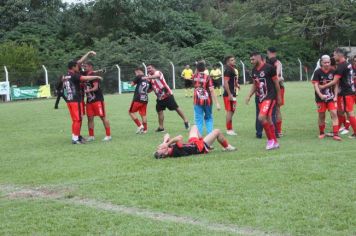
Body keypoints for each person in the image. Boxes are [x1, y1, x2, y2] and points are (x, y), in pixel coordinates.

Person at [245, 52, 281, 150]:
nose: (251, 61)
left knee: (261, 117)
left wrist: (279, 96)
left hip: (270, 96)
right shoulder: (254, 71)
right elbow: (254, 85)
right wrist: (249, 95)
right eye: (250, 60)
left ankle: (270, 141)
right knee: (268, 119)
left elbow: (276, 83)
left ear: (258, 58)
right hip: (260, 98)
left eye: (252, 59)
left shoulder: (269, 68)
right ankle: (275, 142)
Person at [62, 60, 103, 144]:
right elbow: (84, 78)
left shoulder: (66, 75)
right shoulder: (74, 75)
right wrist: (96, 77)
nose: (79, 67)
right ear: (73, 67)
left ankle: (76, 136)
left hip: (69, 100)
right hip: (75, 100)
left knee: (76, 120)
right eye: (77, 66)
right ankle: (75, 139)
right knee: (77, 119)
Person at [319, 48, 356, 139]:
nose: (333, 56)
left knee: (350, 113)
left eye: (334, 55)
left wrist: (323, 86)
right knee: (340, 112)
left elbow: (335, 81)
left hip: (345, 93)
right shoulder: (348, 64)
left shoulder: (341, 66)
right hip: (349, 91)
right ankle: (336, 131)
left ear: (339, 55)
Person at [143, 64, 189, 132]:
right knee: (159, 111)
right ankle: (161, 127)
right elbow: (151, 89)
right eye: (147, 69)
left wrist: (147, 77)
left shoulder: (157, 73)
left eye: (150, 68)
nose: (148, 70)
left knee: (176, 108)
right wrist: (144, 90)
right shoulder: (150, 78)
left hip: (167, 95)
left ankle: (186, 120)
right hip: (159, 98)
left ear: (154, 68)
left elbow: (157, 76)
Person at [154, 125, 236, 159]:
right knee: (217, 131)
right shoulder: (175, 151)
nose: (160, 147)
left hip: (193, 143)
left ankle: (207, 143)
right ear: (164, 154)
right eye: (160, 149)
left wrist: (165, 142)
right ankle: (227, 147)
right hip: (200, 147)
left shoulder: (168, 149)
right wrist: (167, 143)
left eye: (159, 148)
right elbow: (180, 137)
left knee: (194, 127)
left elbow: (167, 134)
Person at [311, 55, 341, 141]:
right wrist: (320, 95)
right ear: (321, 63)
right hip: (320, 98)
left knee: (334, 113)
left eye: (328, 62)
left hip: (331, 98)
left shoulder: (333, 71)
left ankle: (336, 134)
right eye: (325, 62)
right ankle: (321, 133)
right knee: (321, 115)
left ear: (330, 62)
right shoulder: (317, 72)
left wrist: (335, 96)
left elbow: (336, 85)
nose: (327, 64)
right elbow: (316, 85)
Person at [83, 61, 111, 142]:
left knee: (102, 117)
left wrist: (88, 91)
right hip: (89, 100)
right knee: (90, 118)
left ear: (90, 66)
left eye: (85, 66)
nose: (84, 68)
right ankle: (91, 136)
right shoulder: (86, 75)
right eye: (84, 66)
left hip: (97, 100)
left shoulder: (93, 76)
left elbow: (95, 87)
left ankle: (108, 135)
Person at [192, 61, 221, 135]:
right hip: (207, 102)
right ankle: (210, 137)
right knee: (208, 119)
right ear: (205, 68)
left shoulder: (194, 76)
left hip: (197, 101)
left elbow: (195, 73)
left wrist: (197, 67)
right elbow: (211, 90)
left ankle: (199, 138)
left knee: (198, 120)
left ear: (197, 68)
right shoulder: (208, 77)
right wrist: (217, 103)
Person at [266, 47, 284, 137]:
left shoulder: (274, 61)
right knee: (276, 109)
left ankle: (277, 130)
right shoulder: (277, 61)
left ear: (268, 52)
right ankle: (277, 130)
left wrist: (277, 78)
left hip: (277, 88)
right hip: (276, 87)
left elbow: (277, 75)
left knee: (276, 109)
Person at [129, 67, 151, 134]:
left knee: (131, 112)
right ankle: (145, 130)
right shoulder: (148, 78)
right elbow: (150, 90)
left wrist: (132, 83)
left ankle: (140, 125)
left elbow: (131, 85)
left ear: (138, 71)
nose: (135, 74)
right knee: (143, 114)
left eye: (135, 73)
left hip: (138, 98)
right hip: (145, 99)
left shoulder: (139, 76)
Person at [223, 55, 239, 135]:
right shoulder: (228, 70)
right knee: (229, 111)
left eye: (234, 59)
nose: (234, 61)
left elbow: (232, 80)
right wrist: (229, 94)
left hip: (233, 93)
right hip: (228, 94)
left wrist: (236, 84)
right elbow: (225, 83)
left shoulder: (232, 69)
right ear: (228, 62)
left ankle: (230, 128)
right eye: (232, 60)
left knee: (232, 110)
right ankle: (229, 130)